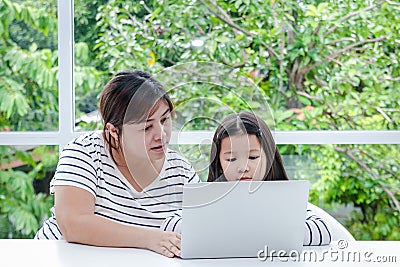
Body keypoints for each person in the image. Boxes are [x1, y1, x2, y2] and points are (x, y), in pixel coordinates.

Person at [35, 70, 200, 257]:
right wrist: (150, 238)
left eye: (165, 120)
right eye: (147, 127)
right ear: (113, 131)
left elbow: (202, 226)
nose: (161, 134)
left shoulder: (181, 170)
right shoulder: (85, 152)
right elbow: (73, 224)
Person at [207, 111, 331, 246]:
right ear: (219, 164)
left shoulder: (284, 197)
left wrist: (262, 233)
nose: (243, 168)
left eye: (253, 157)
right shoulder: (210, 200)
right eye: (231, 159)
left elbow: (322, 230)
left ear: (270, 159)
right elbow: (182, 221)